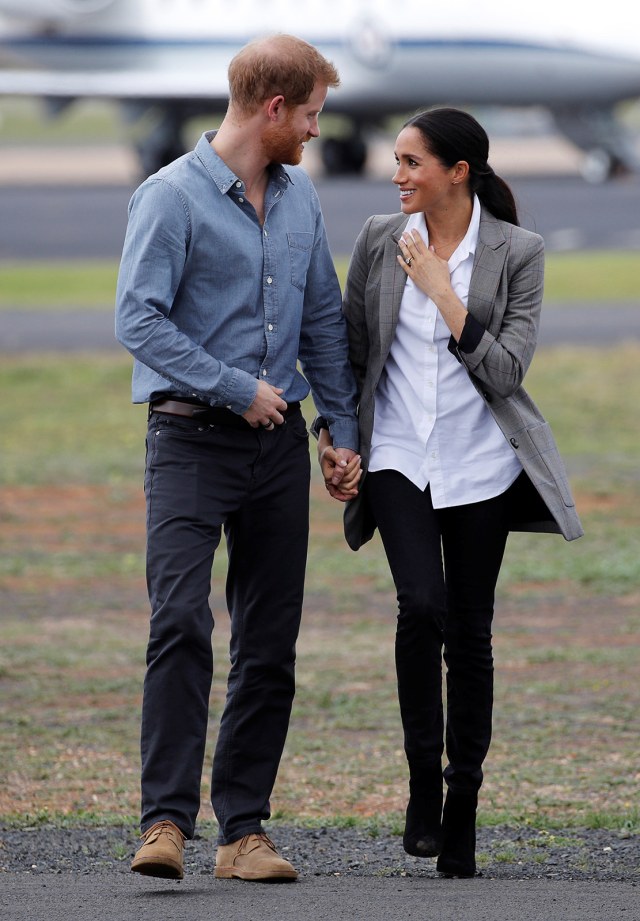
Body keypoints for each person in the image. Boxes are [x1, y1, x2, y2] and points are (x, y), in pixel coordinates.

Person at [115, 33, 359, 882]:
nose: (318, 132)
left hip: (278, 450)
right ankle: (165, 824)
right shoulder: (170, 197)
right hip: (188, 439)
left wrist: (339, 431)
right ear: (274, 109)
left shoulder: (300, 203)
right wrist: (234, 387)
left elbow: (323, 321)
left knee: (269, 640)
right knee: (179, 621)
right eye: (313, 115)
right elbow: (137, 320)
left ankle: (242, 832)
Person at [317, 107, 583, 878]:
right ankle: (421, 787)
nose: (396, 174)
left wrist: (443, 293)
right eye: (396, 161)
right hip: (399, 454)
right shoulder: (377, 239)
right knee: (420, 606)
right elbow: (348, 353)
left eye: (411, 162)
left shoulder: (518, 252)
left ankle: (462, 801)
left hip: (481, 466)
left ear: (457, 172)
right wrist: (333, 441)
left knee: (469, 632)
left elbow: (506, 372)